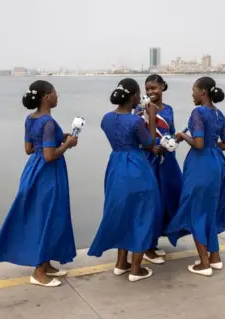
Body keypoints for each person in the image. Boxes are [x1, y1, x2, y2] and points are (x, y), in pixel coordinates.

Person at [0, 80, 78, 287]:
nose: (57, 96)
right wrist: (68, 144)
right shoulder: (48, 122)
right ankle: (38, 272)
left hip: (32, 170)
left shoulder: (30, 119)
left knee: (43, 215)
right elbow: (49, 156)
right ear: (46, 97)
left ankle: (46, 263)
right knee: (48, 217)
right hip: (49, 174)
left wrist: (58, 139)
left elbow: (29, 149)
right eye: (55, 93)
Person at [88, 78, 161, 282]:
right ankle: (136, 269)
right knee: (142, 214)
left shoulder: (106, 119)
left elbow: (121, 130)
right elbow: (149, 143)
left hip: (116, 166)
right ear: (135, 96)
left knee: (123, 213)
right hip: (136, 167)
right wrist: (152, 117)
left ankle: (121, 263)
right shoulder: (136, 121)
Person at [165, 76, 225, 277]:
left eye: (194, 90)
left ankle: (204, 264)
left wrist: (182, 135)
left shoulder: (198, 112)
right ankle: (215, 257)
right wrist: (213, 146)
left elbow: (198, 144)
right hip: (217, 165)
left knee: (196, 210)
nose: (192, 95)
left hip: (201, 165)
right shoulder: (219, 114)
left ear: (203, 91)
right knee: (209, 209)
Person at [134, 74, 183, 265]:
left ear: (162, 87)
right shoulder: (140, 110)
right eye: (147, 89)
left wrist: (174, 141)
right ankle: (146, 246)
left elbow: (170, 130)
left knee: (167, 198)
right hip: (149, 157)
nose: (150, 92)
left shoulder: (168, 109)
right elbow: (138, 134)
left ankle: (155, 241)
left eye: (154, 88)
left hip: (167, 158)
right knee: (150, 201)